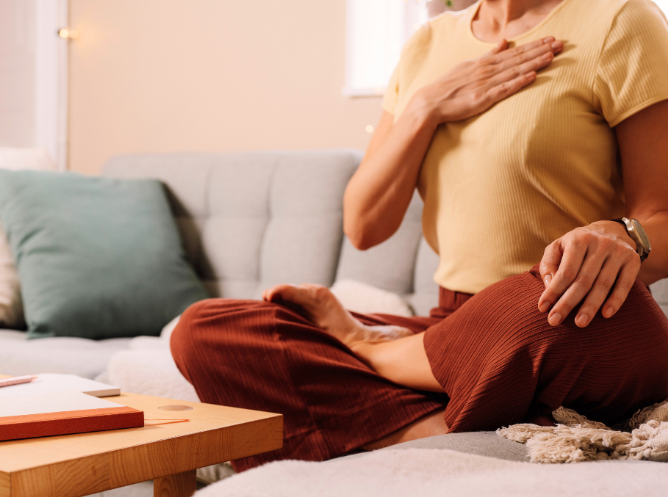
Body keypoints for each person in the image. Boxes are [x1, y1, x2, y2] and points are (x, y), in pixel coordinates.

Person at [171, 0, 668, 472]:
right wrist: (424, 107)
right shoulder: (428, 46)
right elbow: (364, 226)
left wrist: (623, 235)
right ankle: (442, 428)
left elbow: (661, 214)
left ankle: (374, 354)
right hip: (451, 324)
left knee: (537, 312)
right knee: (209, 329)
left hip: (574, 313)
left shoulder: (620, 21)